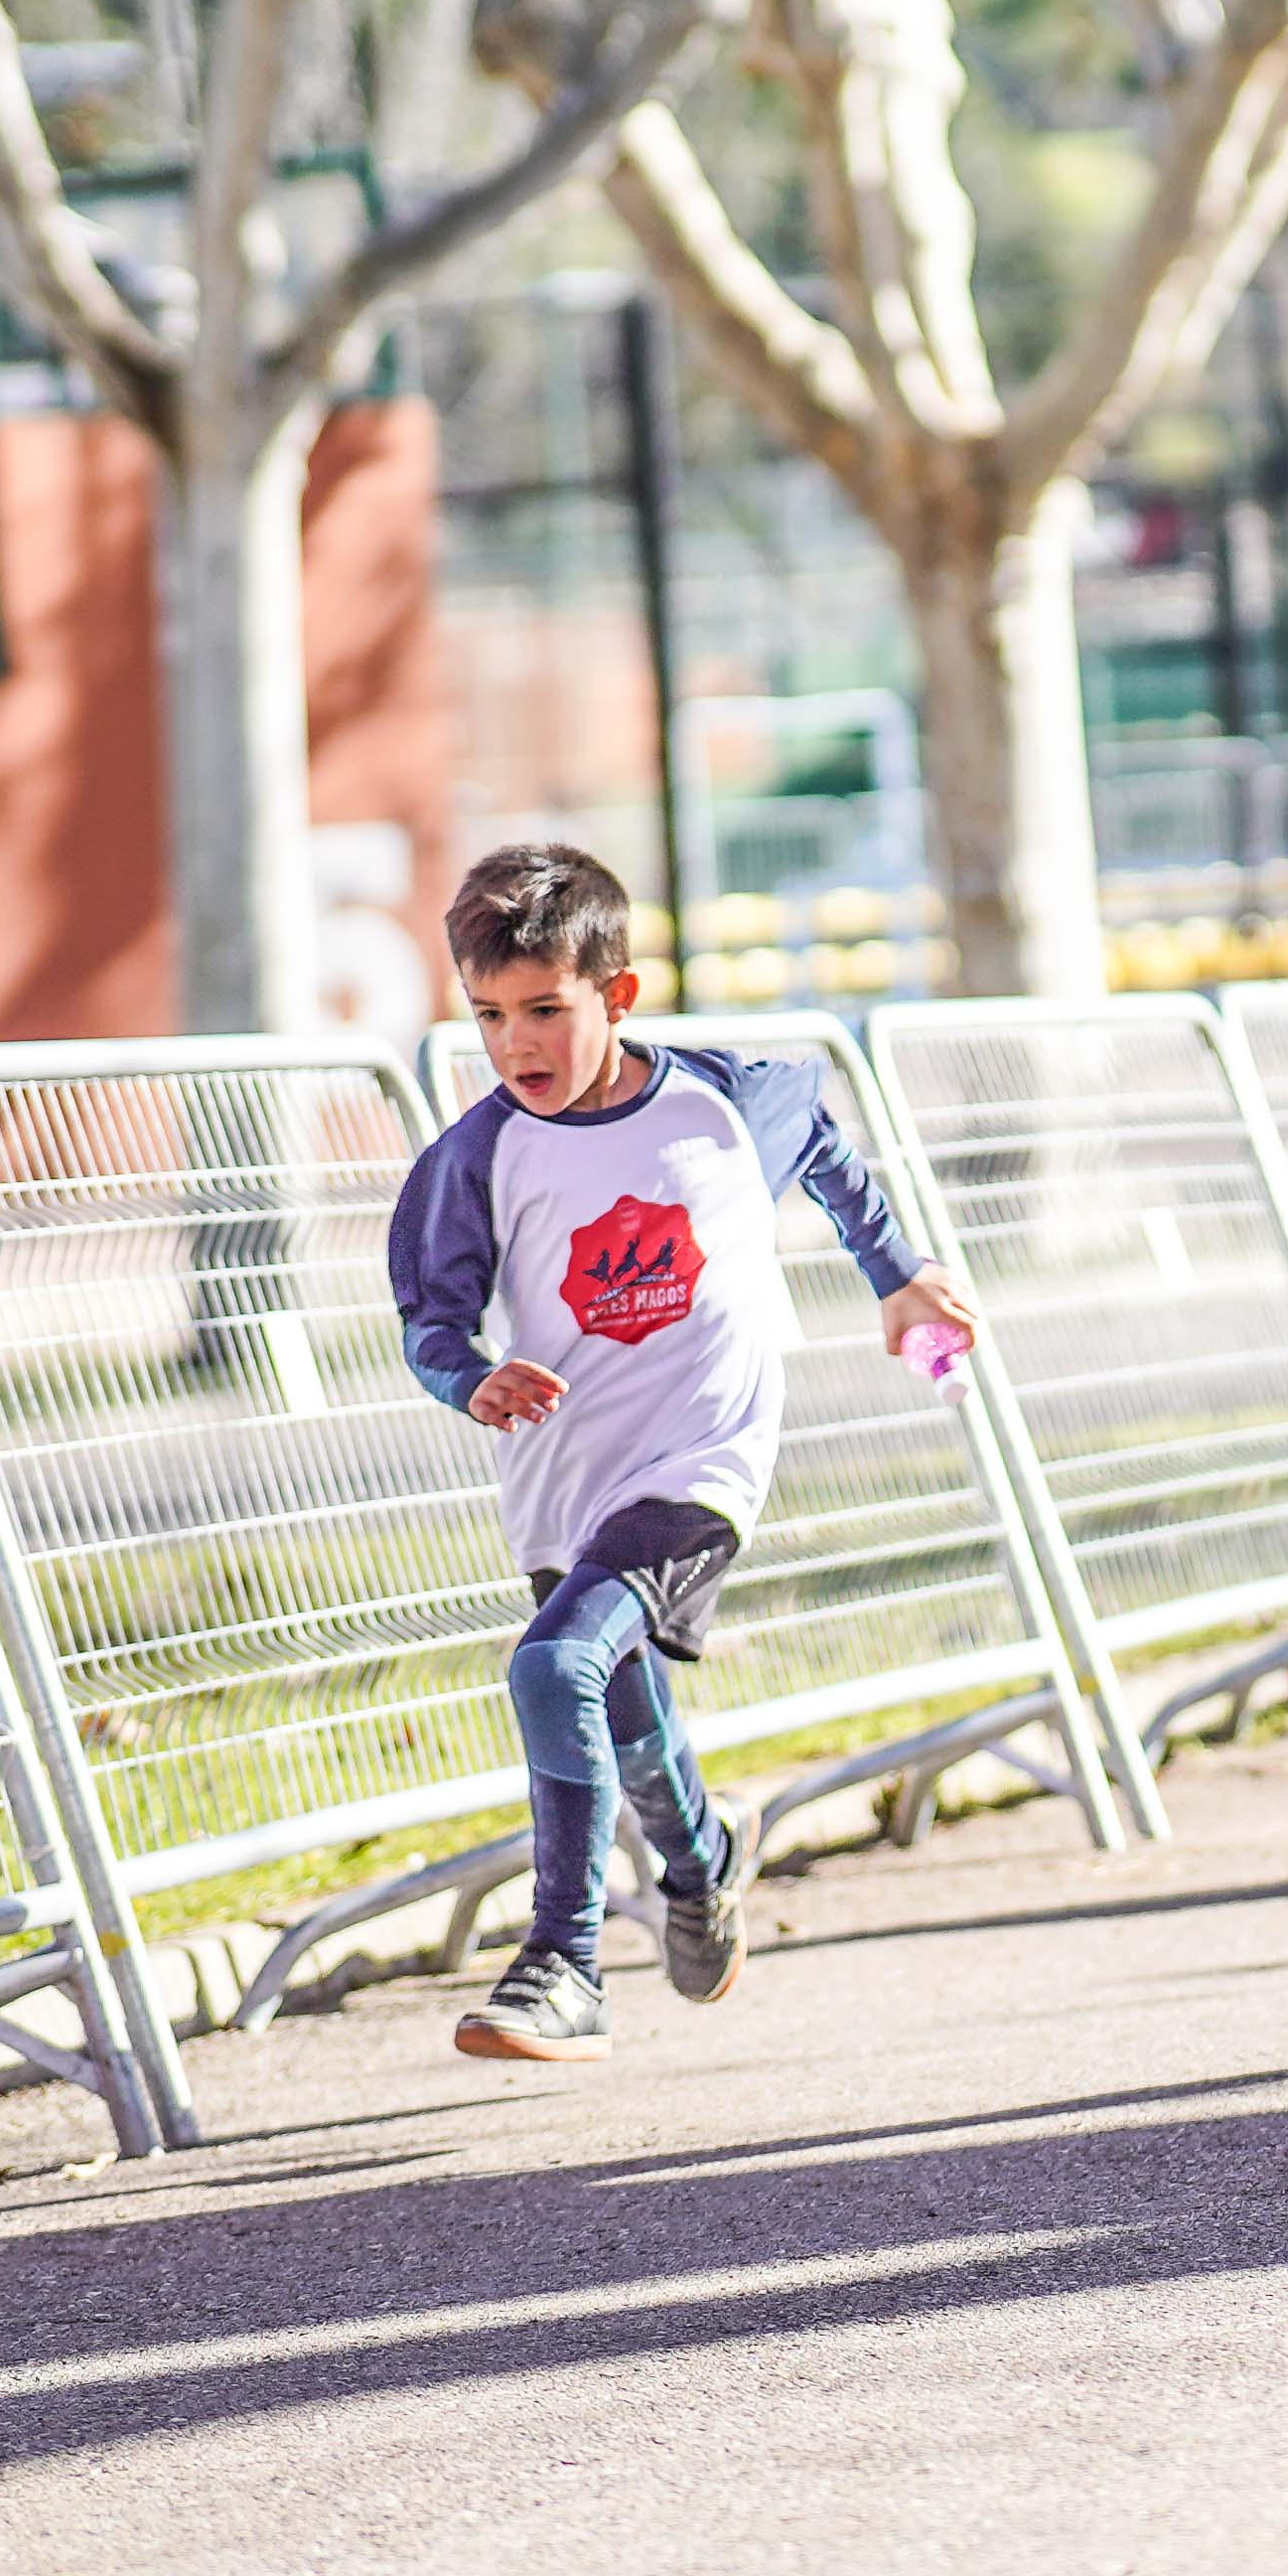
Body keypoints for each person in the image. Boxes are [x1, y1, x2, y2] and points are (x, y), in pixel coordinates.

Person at [397, 842, 981, 2065]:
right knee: (620, 1706)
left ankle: (563, 1963)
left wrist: (898, 1274)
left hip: (703, 1460)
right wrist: (471, 1377)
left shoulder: (723, 1101)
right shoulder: (473, 1157)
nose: (516, 1044)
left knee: (554, 1665)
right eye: (490, 1015)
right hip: (562, 1477)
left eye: (545, 1010)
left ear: (618, 995)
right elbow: (430, 1321)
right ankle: (703, 1857)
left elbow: (818, 1137)